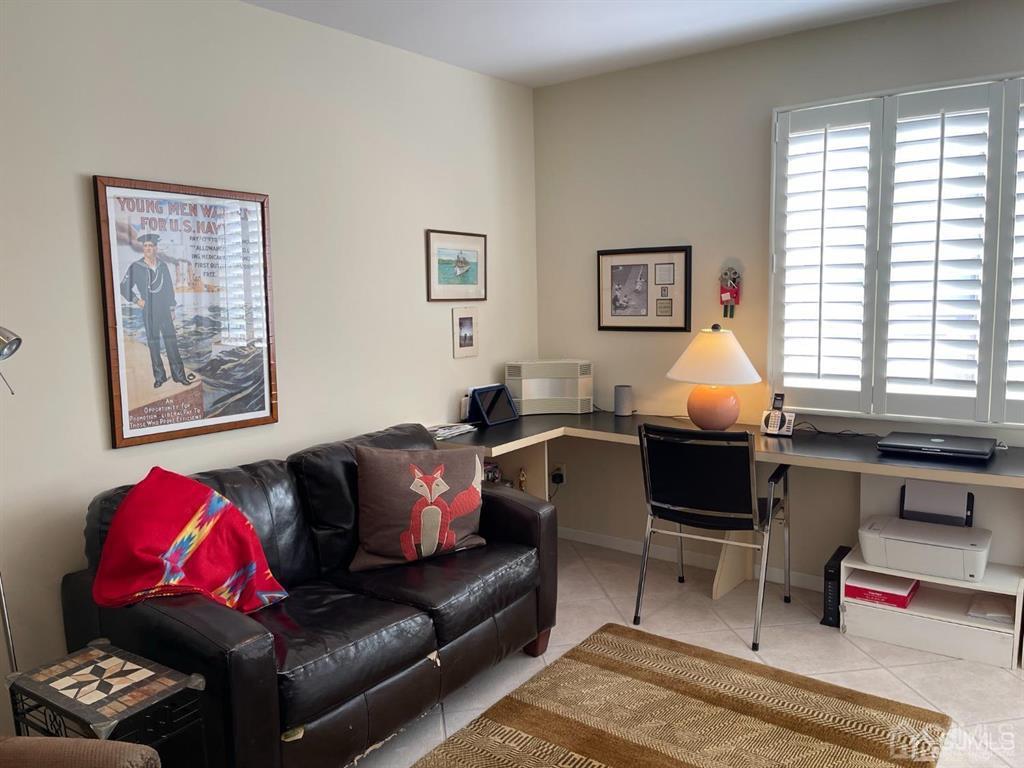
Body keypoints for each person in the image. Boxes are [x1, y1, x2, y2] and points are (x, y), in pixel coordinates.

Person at [119, 233, 195, 388]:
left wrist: (172, 308)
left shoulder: (163, 266)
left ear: (155, 248)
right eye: (146, 246)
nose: (148, 248)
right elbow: (123, 287)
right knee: (154, 344)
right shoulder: (136, 267)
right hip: (149, 310)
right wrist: (136, 300)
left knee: (171, 342)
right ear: (143, 248)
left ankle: (179, 376)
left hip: (164, 310)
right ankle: (159, 377)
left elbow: (168, 289)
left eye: (151, 246)